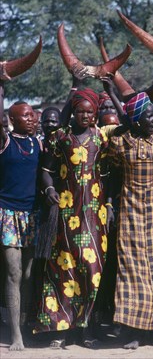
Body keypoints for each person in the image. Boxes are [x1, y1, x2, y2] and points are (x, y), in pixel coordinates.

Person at [34, 71, 125, 348]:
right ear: (74, 111)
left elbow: (109, 177)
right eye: (81, 111)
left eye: (90, 112)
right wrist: (49, 189)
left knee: (92, 268)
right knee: (62, 268)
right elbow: (46, 170)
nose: (86, 116)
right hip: (65, 212)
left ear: (95, 114)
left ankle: (85, 328)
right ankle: (60, 328)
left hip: (94, 215)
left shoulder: (101, 139)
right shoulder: (59, 137)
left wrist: (109, 205)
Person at [107, 91, 153, 349]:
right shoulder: (121, 142)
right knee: (131, 271)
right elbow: (112, 177)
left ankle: (151, 327)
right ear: (136, 121)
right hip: (130, 212)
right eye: (148, 116)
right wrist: (109, 204)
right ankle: (135, 330)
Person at [0, 81, 41, 351]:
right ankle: (16, 335)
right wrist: (1, 86)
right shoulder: (5, 141)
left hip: (31, 216)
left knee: (27, 275)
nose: (32, 118)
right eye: (25, 115)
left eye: (32, 115)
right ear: (12, 120)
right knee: (13, 273)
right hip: (7, 213)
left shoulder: (38, 143)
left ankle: (22, 322)